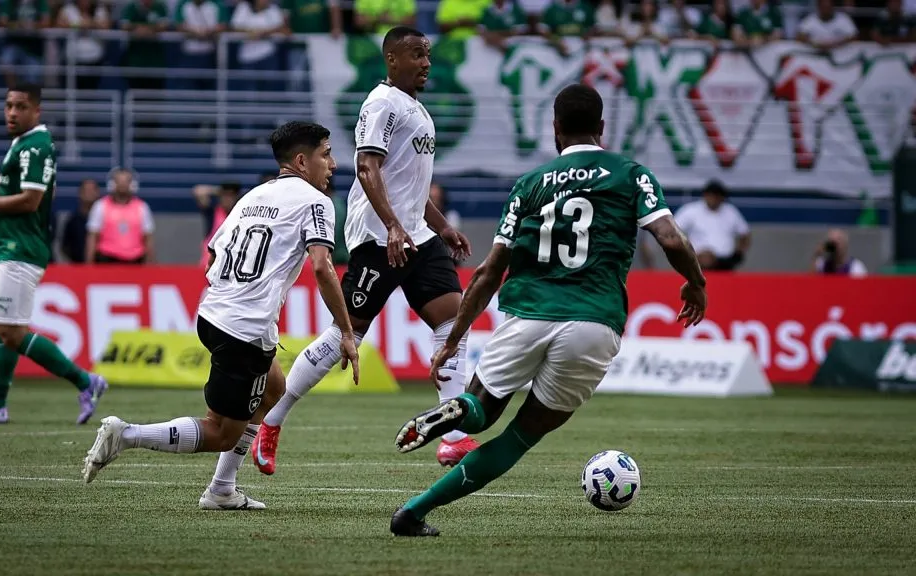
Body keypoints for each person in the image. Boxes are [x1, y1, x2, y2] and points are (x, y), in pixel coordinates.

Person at [388, 84, 708, 537]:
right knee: (519, 436)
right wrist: (694, 283)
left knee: (481, 408)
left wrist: (454, 340)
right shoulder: (630, 173)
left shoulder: (530, 184)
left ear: (555, 129)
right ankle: (413, 512)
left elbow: (487, 273)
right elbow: (672, 239)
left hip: (527, 314)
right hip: (594, 322)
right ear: (601, 128)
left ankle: (457, 410)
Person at [81, 122, 361, 512]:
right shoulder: (317, 202)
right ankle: (126, 435)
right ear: (302, 160)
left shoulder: (253, 196)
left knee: (274, 389)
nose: (332, 164)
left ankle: (222, 490)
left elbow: (213, 253)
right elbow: (322, 266)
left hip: (213, 312)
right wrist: (347, 331)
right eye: (326, 154)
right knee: (221, 433)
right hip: (243, 328)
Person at [253, 26, 479, 474]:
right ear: (392, 59)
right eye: (417, 54)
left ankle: (453, 438)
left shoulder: (415, 108)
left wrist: (440, 225)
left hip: (415, 235)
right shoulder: (381, 103)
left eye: (428, 55)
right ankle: (271, 422)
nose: (426, 63)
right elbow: (366, 165)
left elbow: (407, 184)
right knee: (345, 336)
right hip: (379, 238)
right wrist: (394, 226)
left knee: (455, 319)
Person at [0, 83, 108, 425]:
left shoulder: (35, 146)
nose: (11, 112)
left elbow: (32, 200)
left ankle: (86, 381)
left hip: (20, 250)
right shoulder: (25, 144)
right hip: (7, 246)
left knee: (12, 332)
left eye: (20, 106)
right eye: (8, 105)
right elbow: (22, 191)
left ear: (36, 110)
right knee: (0, 328)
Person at [673, 180, 749, 271]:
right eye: (711, 195)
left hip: (724, 263)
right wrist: (685, 253)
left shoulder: (730, 211)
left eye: (717, 195)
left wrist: (738, 255)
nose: (713, 198)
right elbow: (672, 230)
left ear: (722, 197)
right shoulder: (691, 210)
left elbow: (745, 234)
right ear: (704, 195)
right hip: (696, 262)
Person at [85, 168, 156, 264]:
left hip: (135, 262)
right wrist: (88, 264)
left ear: (133, 185)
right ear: (112, 184)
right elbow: (92, 237)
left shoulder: (142, 207)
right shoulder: (100, 206)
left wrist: (151, 264)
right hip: (107, 260)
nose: (122, 185)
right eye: (118, 181)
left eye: (126, 181)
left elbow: (148, 239)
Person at [59, 179, 100, 263]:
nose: (89, 193)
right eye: (86, 190)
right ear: (80, 193)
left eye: (92, 190)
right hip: (76, 266)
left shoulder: (106, 219)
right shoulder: (72, 220)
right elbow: (65, 246)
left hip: (102, 266)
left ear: (97, 193)